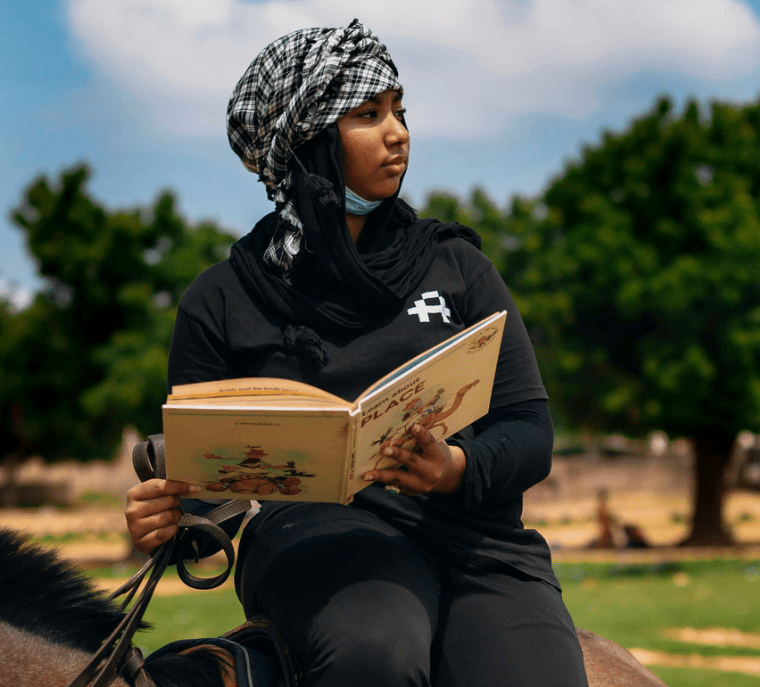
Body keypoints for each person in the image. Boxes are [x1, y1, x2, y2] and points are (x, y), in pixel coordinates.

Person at [125, 20, 589, 687]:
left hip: (477, 543)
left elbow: (530, 432)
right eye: (368, 115)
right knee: (377, 652)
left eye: (399, 109)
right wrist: (166, 518)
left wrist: (456, 467)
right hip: (311, 539)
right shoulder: (219, 300)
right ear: (308, 142)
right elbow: (202, 485)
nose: (397, 132)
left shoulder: (457, 267)